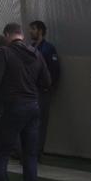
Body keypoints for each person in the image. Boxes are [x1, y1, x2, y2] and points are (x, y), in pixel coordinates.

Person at [0, 22, 50, 181]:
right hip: (34, 107)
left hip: (13, 107)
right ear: (21, 35)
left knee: (2, 154)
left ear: (7, 35)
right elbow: (47, 81)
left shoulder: (4, 53)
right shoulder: (36, 53)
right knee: (30, 156)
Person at [29, 20, 60, 155]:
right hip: (30, 90)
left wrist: (49, 87)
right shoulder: (30, 48)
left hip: (42, 90)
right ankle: (29, 149)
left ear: (40, 31)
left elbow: (55, 70)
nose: (31, 31)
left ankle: (37, 150)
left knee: (40, 122)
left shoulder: (48, 49)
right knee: (30, 121)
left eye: (33, 29)